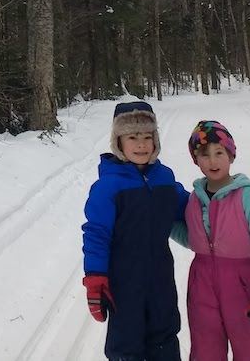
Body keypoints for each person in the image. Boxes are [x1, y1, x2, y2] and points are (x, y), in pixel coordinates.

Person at [82, 100, 190, 361]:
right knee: (125, 341)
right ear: (119, 143)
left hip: (161, 278)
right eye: (132, 137)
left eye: (146, 136)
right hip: (123, 282)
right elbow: (96, 233)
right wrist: (95, 278)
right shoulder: (108, 187)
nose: (141, 144)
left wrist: (219, 206)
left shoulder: (164, 177)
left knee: (165, 334)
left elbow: (187, 208)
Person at [177, 120, 250, 361]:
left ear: (231, 155)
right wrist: (164, 224)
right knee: (206, 347)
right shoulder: (195, 198)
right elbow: (194, 239)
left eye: (219, 153)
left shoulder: (248, 196)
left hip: (241, 282)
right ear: (196, 160)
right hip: (201, 282)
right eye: (204, 155)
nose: (213, 161)